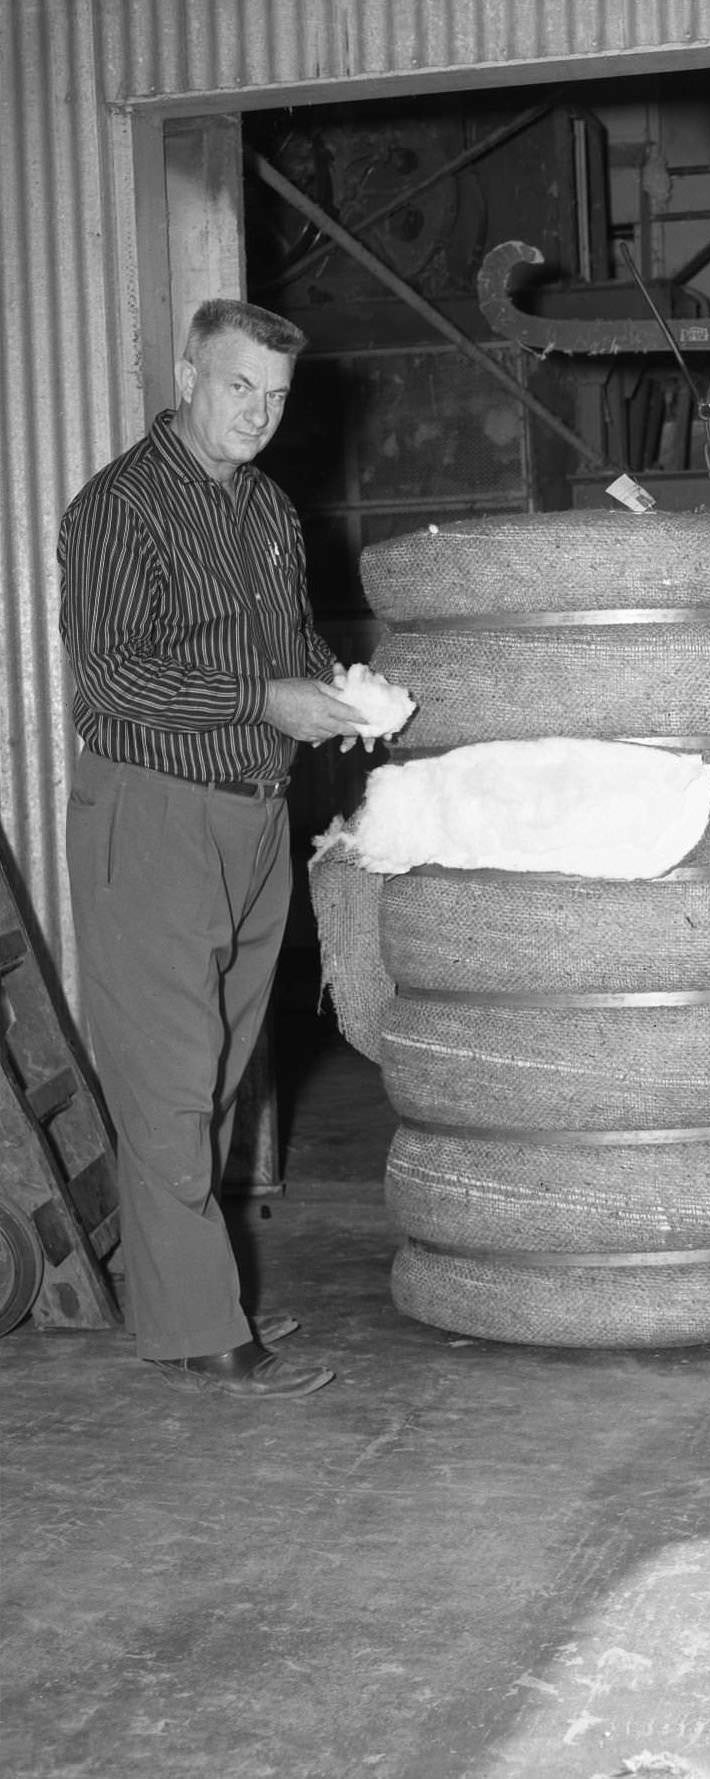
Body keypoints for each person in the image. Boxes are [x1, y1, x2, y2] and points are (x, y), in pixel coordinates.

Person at [58, 297, 366, 1399]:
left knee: (226, 1073)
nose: (259, 414)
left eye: (278, 397)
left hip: (250, 816)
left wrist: (335, 686)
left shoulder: (268, 508)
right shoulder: (118, 510)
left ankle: (189, 1297)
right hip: (152, 811)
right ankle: (200, 1331)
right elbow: (114, 677)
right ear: (190, 372)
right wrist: (265, 697)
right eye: (240, 387)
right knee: (171, 1085)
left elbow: (287, 645)